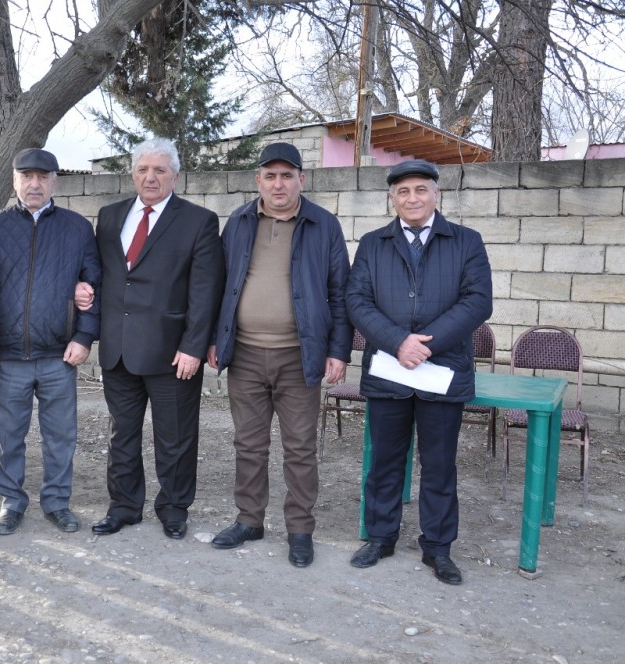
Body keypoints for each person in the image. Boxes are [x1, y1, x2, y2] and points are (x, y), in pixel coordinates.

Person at [346, 159, 492, 585]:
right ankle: (380, 536)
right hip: (390, 370)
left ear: (436, 194)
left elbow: (478, 300)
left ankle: (438, 548)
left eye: (420, 190)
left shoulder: (466, 241)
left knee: (440, 463)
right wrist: (397, 342)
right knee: (385, 460)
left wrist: (424, 344)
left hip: (442, 369)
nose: (412, 198)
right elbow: (357, 300)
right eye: (403, 191)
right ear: (392, 198)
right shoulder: (373, 244)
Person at [207, 142, 352, 567]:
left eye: (286, 175)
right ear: (258, 181)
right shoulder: (238, 222)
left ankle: (300, 529)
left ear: (301, 180)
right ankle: (249, 519)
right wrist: (216, 339)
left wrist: (338, 350)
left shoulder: (323, 225)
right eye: (269, 176)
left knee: (300, 447)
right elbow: (221, 286)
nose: (278, 183)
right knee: (248, 444)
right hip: (247, 354)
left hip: (300, 355)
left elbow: (339, 293)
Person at [93, 137, 224, 540]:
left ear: (175, 176)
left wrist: (193, 346)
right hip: (118, 348)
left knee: (176, 438)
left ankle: (173, 507)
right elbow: (106, 276)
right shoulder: (110, 216)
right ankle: (125, 506)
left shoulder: (198, 222)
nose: (150, 177)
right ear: (133, 174)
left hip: (172, 354)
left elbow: (206, 291)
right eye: (143, 170)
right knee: (122, 436)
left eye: (160, 170)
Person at [0, 148, 101, 535]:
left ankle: (56, 502)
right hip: (8, 356)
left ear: (55, 182)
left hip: (58, 356)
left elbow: (94, 286)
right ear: (15, 180)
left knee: (61, 436)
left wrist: (84, 336)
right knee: (9, 436)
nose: (34, 184)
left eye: (42, 176)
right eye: (26, 176)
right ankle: (11, 502)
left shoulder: (77, 228)